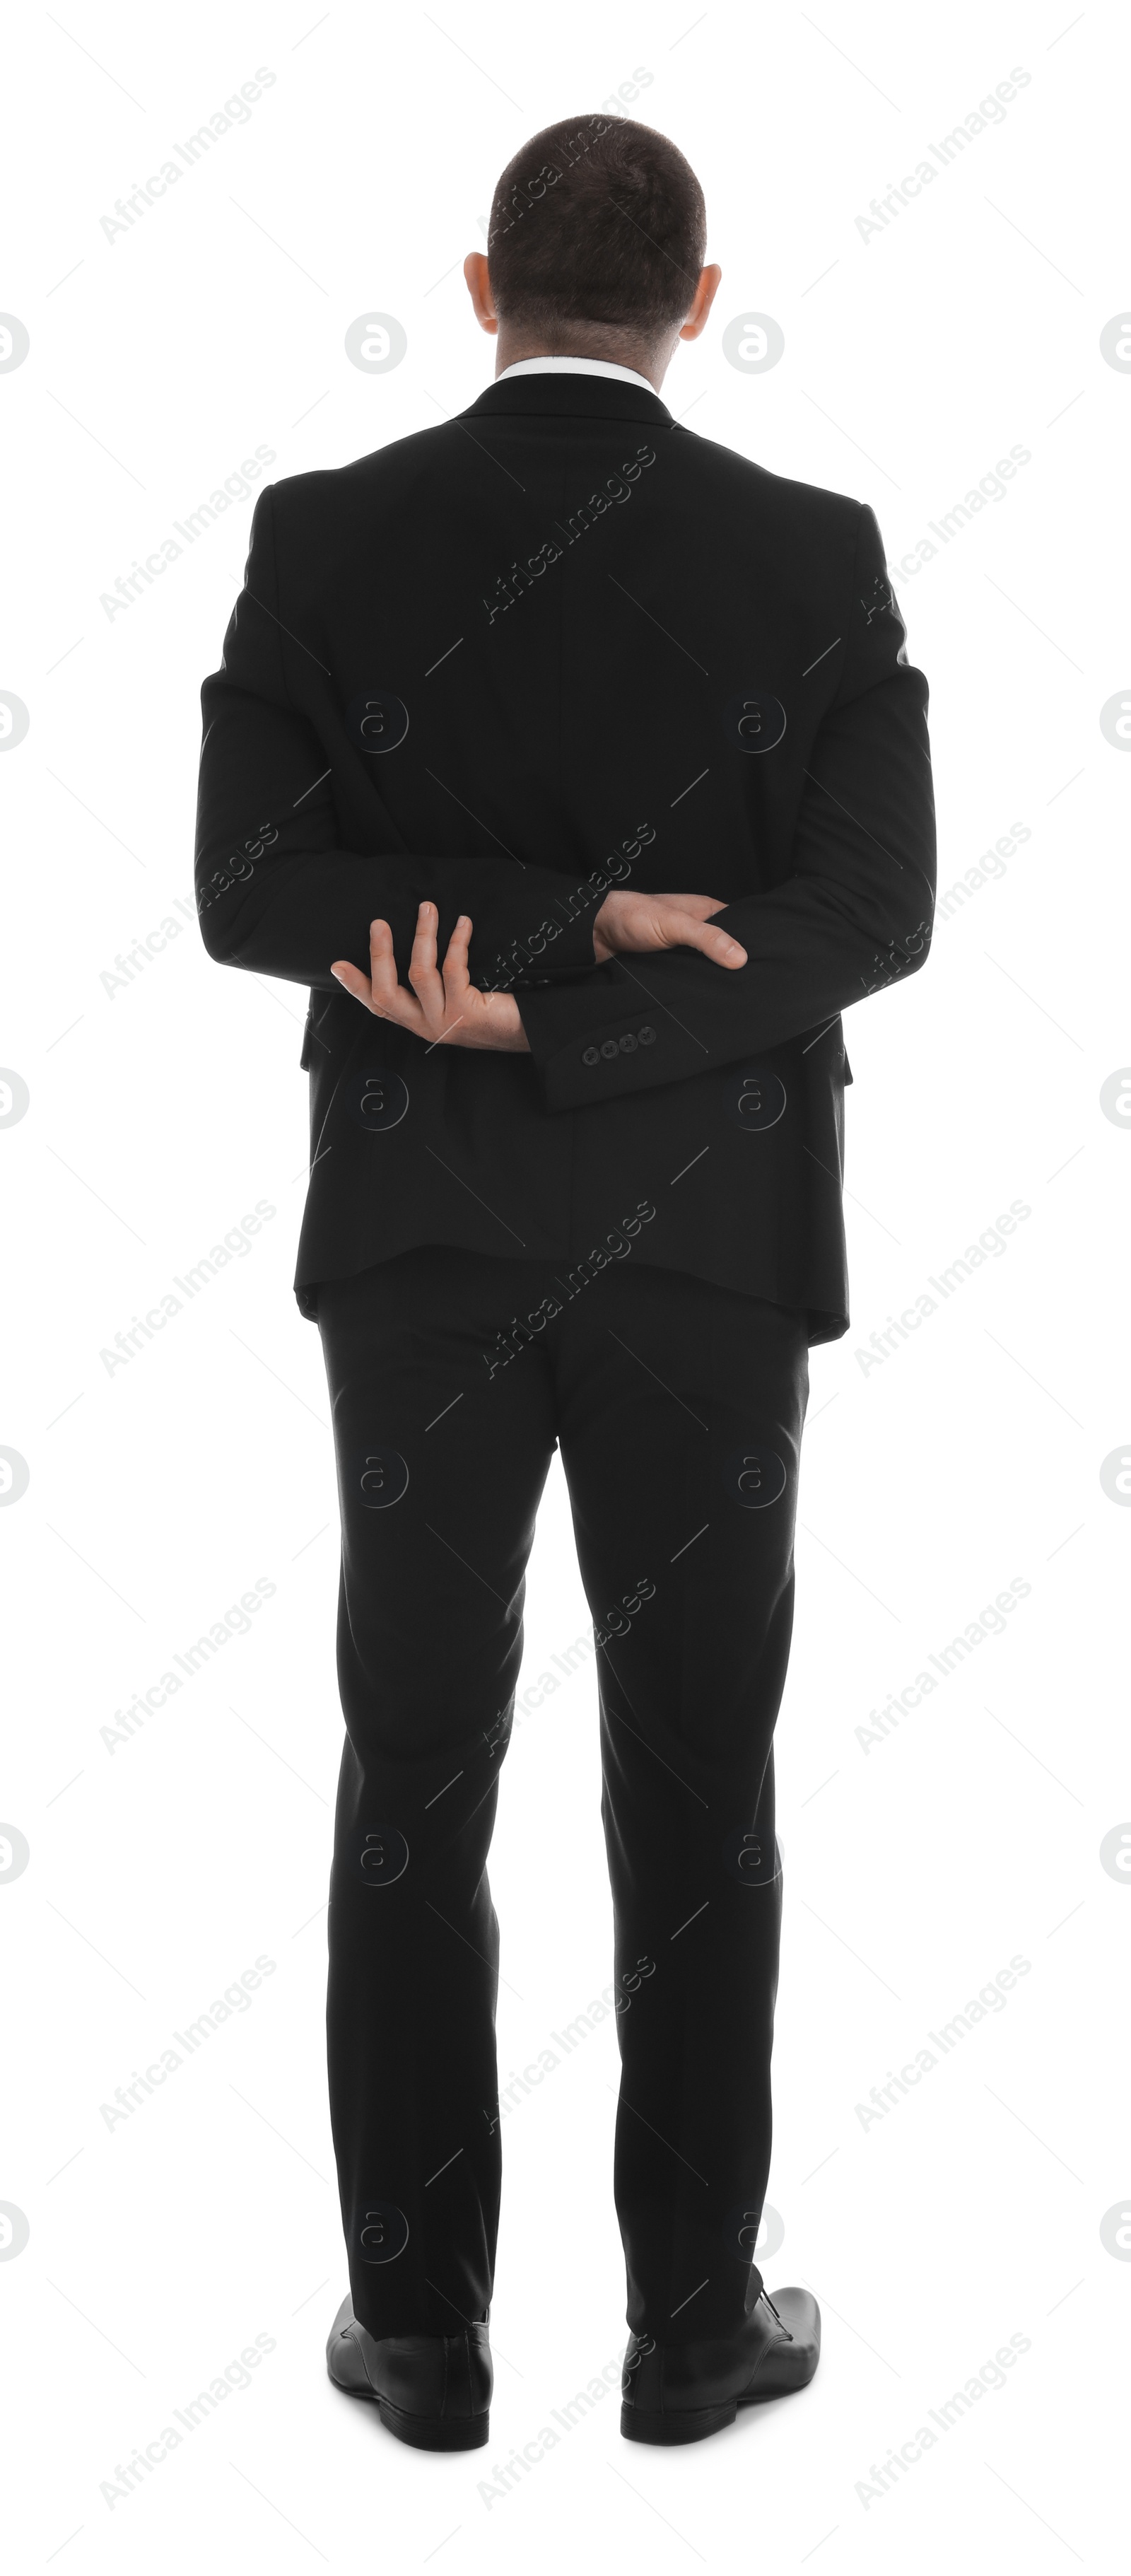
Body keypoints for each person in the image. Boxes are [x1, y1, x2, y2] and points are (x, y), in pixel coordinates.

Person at [194, 111, 935, 2451]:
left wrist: (512, 989)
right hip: (705, 1244)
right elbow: (866, 917)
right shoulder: (809, 554)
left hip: (423, 1237)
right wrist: (590, 949)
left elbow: (251, 885)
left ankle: (417, 2336)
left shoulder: (331, 536)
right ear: (694, 302)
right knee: (696, 1778)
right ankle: (692, 2331)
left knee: (412, 1759)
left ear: (486, 283)